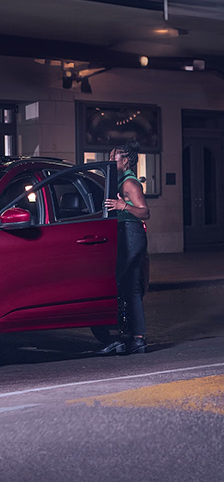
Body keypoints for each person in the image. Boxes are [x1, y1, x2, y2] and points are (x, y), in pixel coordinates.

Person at [100, 139, 150, 355]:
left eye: (114, 157)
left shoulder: (130, 183)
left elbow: (145, 212)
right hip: (126, 233)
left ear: (126, 160)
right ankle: (137, 339)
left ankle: (120, 336)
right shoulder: (118, 181)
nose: (110, 160)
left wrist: (123, 205)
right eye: (110, 157)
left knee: (118, 282)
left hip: (131, 234)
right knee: (130, 287)